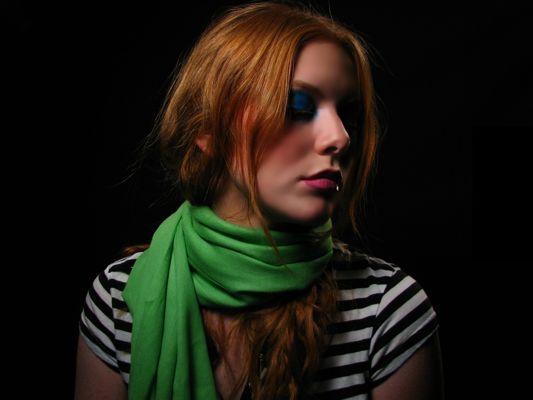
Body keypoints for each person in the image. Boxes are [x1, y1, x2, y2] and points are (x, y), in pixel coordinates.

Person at [74, 1, 444, 399]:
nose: (340, 137)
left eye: (348, 115)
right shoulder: (120, 299)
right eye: (298, 107)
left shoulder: (388, 311)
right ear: (207, 128)